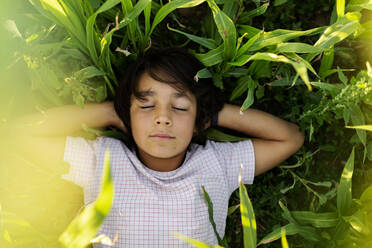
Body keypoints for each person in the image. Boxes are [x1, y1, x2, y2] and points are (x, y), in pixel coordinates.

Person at [2, 47, 304, 247]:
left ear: (197, 121)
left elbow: (290, 137)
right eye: (146, 105)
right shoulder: (101, 159)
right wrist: (108, 112)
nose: (162, 118)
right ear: (127, 114)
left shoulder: (218, 163)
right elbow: (21, 133)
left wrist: (212, 113)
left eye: (180, 107)